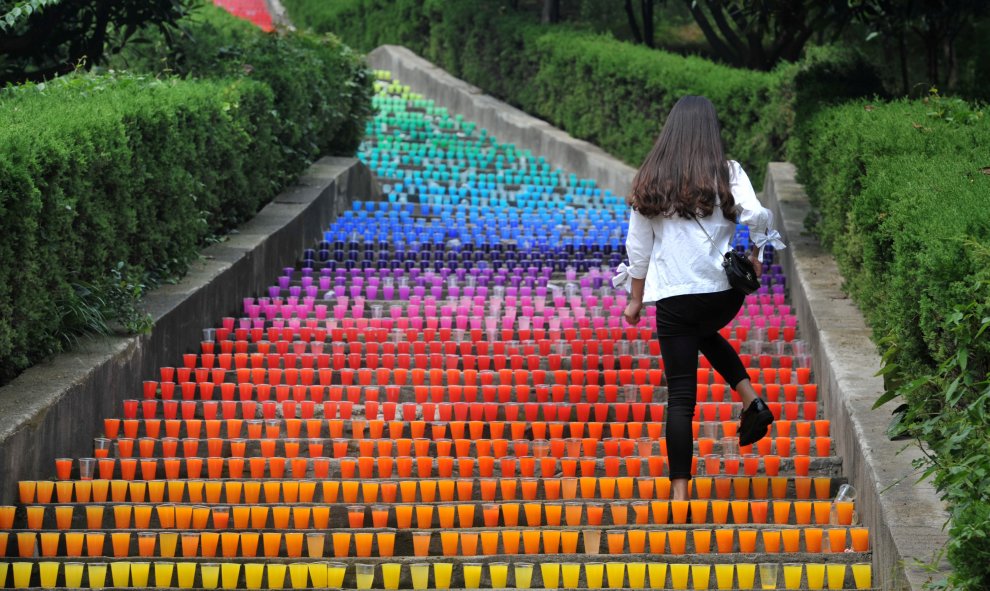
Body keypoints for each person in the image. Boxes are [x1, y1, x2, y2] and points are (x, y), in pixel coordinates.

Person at [614, 95, 786, 502]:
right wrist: (757, 257)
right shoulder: (726, 172)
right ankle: (751, 400)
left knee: (681, 400)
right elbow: (758, 214)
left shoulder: (651, 177)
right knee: (703, 331)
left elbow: (638, 248)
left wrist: (635, 301)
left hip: (675, 298)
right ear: (710, 130)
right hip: (723, 295)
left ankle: (679, 496)